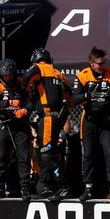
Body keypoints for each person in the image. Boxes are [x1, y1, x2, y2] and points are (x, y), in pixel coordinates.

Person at [73, 47, 110, 202]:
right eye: (99, 63)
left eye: (103, 62)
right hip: (89, 120)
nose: (102, 66)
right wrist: (89, 93)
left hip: (106, 120)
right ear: (91, 62)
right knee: (88, 154)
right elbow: (74, 99)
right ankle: (88, 187)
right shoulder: (82, 75)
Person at [23, 48, 73, 201]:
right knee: (43, 151)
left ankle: (63, 187)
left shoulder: (39, 68)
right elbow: (70, 98)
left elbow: (26, 78)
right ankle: (48, 185)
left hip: (47, 117)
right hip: (55, 118)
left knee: (45, 154)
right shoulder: (58, 73)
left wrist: (24, 90)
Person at [0, 59, 32, 203]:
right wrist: (9, 103)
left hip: (21, 125)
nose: (8, 78)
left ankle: (25, 188)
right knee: (2, 157)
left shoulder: (22, 82)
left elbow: (32, 100)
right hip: (4, 124)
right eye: (5, 76)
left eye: (10, 75)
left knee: (23, 157)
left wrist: (25, 110)